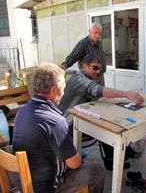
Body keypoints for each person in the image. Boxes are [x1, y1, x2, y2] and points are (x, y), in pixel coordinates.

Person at [12, 63, 105, 193]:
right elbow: (75, 163)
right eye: (63, 88)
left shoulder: (22, 112)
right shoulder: (54, 121)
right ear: (54, 90)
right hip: (46, 187)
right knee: (97, 170)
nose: (63, 92)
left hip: (24, 183)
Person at [57, 54, 144, 170]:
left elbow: (95, 97)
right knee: (106, 126)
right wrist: (126, 94)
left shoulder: (88, 79)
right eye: (95, 68)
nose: (98, 71)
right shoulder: (79, 79)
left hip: (78, 117)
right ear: (85, 66)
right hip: (68, 123)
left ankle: (120, 153)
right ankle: (112, 160)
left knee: (107, 118)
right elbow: (96, 90)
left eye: (99, 68)